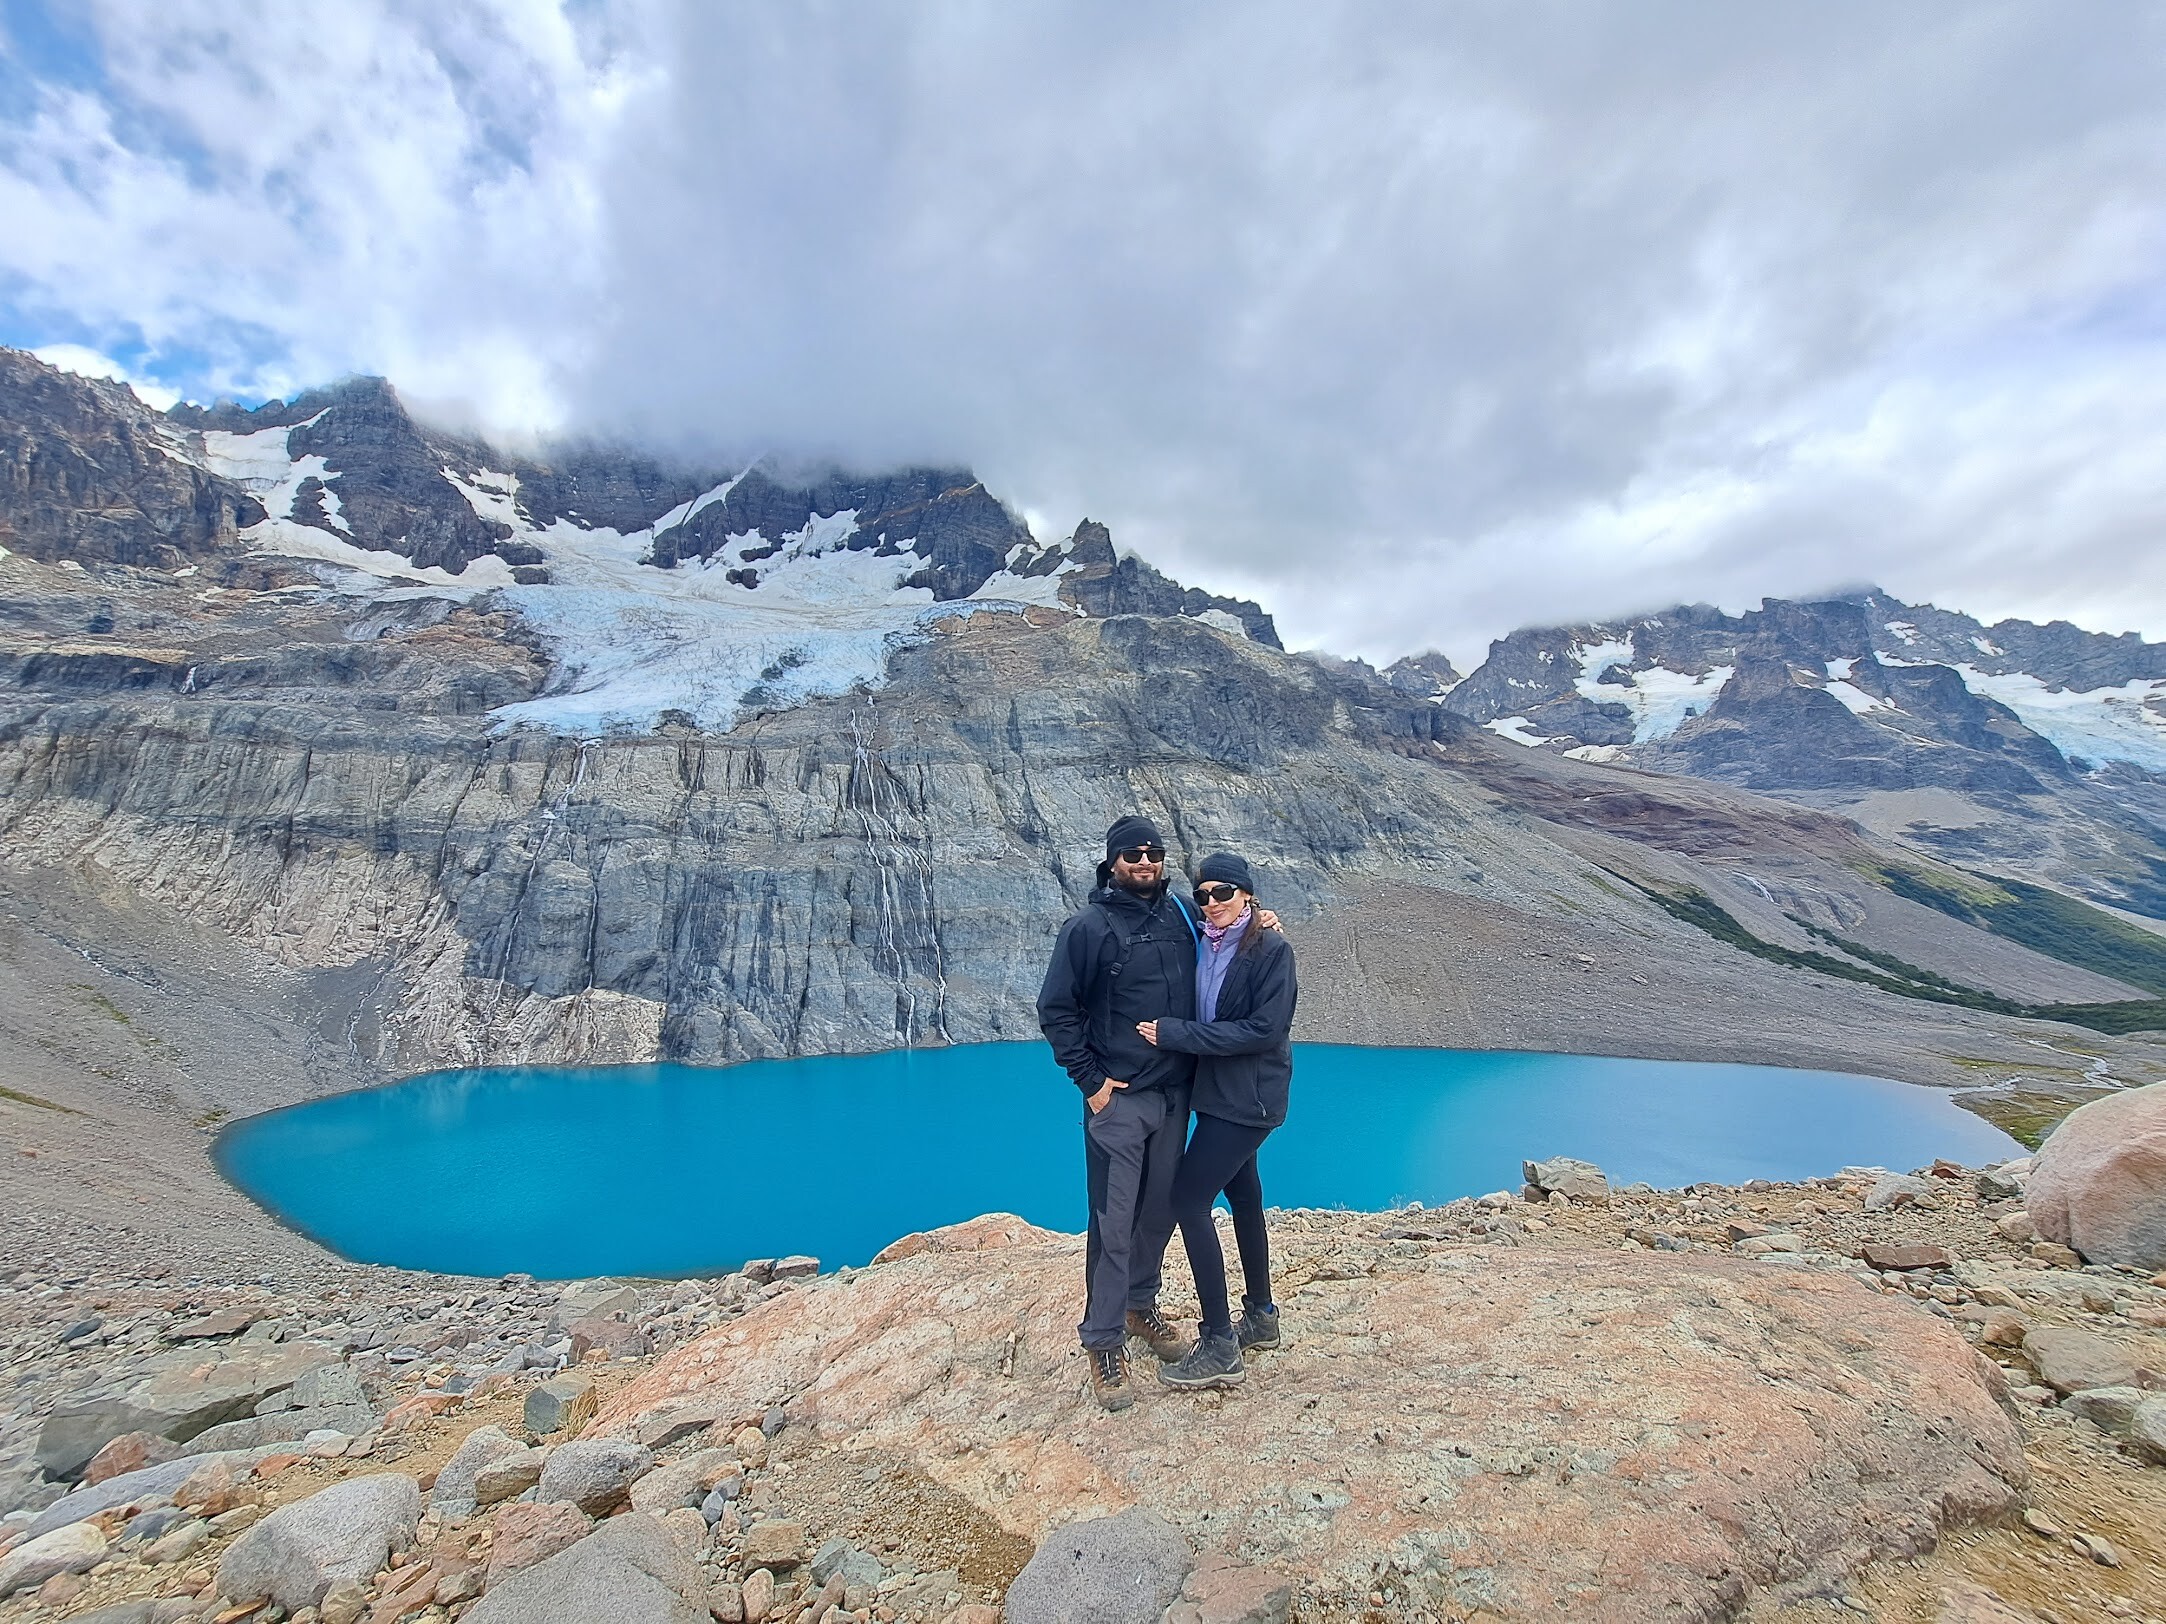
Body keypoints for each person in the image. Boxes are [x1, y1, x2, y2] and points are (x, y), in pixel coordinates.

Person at [1037, 816, 1206, 1411]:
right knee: (1113, 1222)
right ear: (1111, 862)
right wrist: (1090, 1081)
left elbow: (1229, 939)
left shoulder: (1184, 915)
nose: (1144, 862)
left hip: (1174, 1093)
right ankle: (1103, 1340)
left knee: (1159, 1211)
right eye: (1131, 853)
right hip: (1121, 1099)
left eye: (1154, 853)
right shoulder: (1087, 927)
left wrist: (1262, 922)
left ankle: (1139, 1306)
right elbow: (1056, 1009)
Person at [1137, 851, 1297, 1390]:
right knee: (1245, 1197)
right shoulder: (1205, 935)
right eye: (1203, 894)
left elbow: (1263, 1031)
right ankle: (1261, 1316)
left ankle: (1220, 1342)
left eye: (1223, 893)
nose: (1211, 903)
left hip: (1247, 1100)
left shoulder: (1272, 949)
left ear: (1248, 895)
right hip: (1222, 1096)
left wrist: (1176, 1034)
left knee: (1187, 1198)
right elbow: (1153, 905)